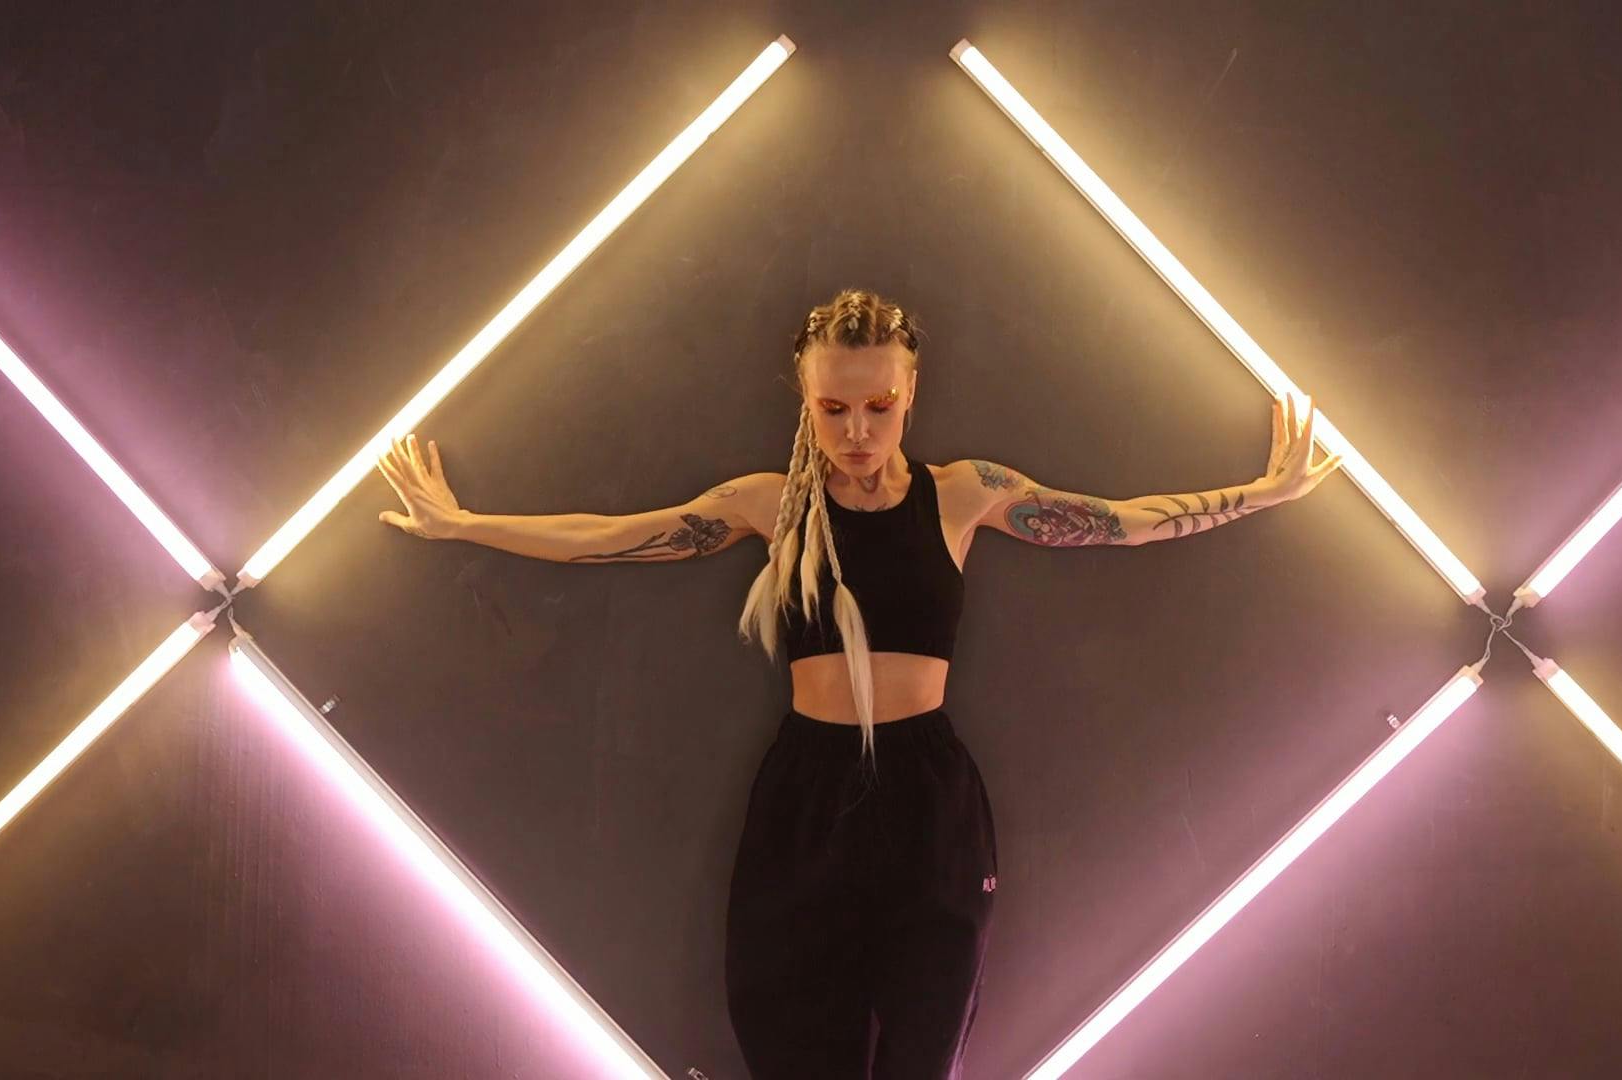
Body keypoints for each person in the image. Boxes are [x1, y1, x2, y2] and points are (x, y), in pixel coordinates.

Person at [375, 287, 1342, 1078]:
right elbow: (612, 537)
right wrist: (465, 525)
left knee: (927, 1041)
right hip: (809, 790)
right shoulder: (771, 507)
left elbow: (1114, 522)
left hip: (928, 797)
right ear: (805, 400)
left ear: (910, 392)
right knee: (791, 1036)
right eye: (833, 408)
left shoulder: (962, 494)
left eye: (878, 406)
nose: (857, 429)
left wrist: (1260, 494)